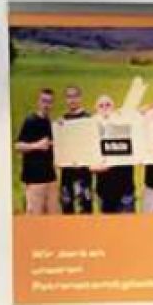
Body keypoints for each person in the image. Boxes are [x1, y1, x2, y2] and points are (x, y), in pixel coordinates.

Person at [86, 89, 136, 213]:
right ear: (96, 110)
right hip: (104, 190)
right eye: (101, 105)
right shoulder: (91, 133)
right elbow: (87, 163)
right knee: (107, 223)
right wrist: (95, 168)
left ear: (114, 108)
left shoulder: (125, 124)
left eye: (108, 105)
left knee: (128, 223)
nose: (105, 108)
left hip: (125, 188)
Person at [14, 88, 56, 215]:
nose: (46, 105)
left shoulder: (50, 123)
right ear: (38, 102)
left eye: (49, 102)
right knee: (35, 218)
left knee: (52, 218)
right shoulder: (30, 121)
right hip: (34, 179)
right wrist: (37, 145)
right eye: (44, 101)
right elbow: (18, 146)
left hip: (50, 178)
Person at [56, 86, 94, 214]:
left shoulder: (88, 119)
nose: (72, 100)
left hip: (83, 171)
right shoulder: (62, 121)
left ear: (80, 98)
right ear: (66, 99)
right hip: (67, 171)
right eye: (69, 97)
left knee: (85, 205)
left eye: (75, 96)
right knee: (67, 205)